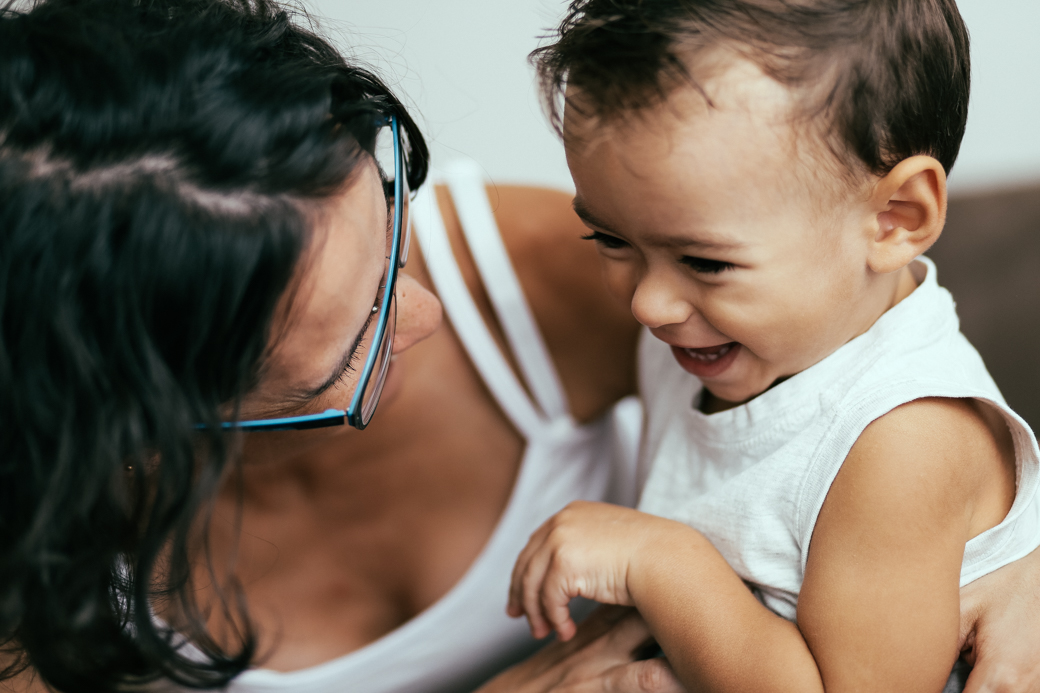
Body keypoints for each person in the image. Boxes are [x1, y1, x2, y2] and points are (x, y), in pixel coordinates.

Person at [1, 0, 1040, 692]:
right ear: (127, 414)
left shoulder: (587, 285)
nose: (426, 309)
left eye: (394, 229)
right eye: (346, 348)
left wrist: (1014, 545)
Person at [506, 1, 1040, 692]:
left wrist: (661, 559)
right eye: (611, 240)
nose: (649, 305)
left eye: (705, 261)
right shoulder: (724, 337)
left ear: (894, 218)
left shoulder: (903, 439)